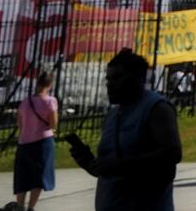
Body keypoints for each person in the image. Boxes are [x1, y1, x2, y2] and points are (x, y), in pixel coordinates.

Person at [64, 49, 181, 211]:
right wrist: (90, 163)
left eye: (117, 78)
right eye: (108, 79)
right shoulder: (112, 115)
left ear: (138, 78)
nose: (110, 84)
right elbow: (110, 171)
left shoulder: (157, 108)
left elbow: (171, 154)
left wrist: (117, 165)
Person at [12, 71, 58, 210]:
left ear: (37, 83)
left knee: (22, 176)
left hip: (24, 143)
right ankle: (31, 207)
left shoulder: (25, 102)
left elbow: (19, 123)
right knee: (38, 177)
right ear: (50, 85)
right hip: (42, 143)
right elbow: (53, 123)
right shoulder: (50, 101)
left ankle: (20, 206)